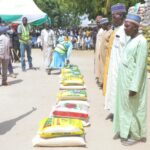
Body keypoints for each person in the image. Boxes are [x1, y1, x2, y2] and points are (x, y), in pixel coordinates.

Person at [113, 13, 148, 146]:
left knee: (133, 108)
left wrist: (134, 87)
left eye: (127, 26)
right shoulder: (130, 40)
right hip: (124, 81)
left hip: (132, 82)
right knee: (124, 107)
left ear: (135, 27)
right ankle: (124, 131)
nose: (124, 29)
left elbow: (139, 67)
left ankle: (135, 135)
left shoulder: (142, 42)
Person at [104, 3, 129, 120]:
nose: (112, 18)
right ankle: (113, 111)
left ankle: (118, 114)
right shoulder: (116, 30)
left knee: (119, 92)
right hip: (113, 66)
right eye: (112, 16)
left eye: (114, 16)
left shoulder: (125, 31)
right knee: (112, 90)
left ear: (121, 15)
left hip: (121, 68)